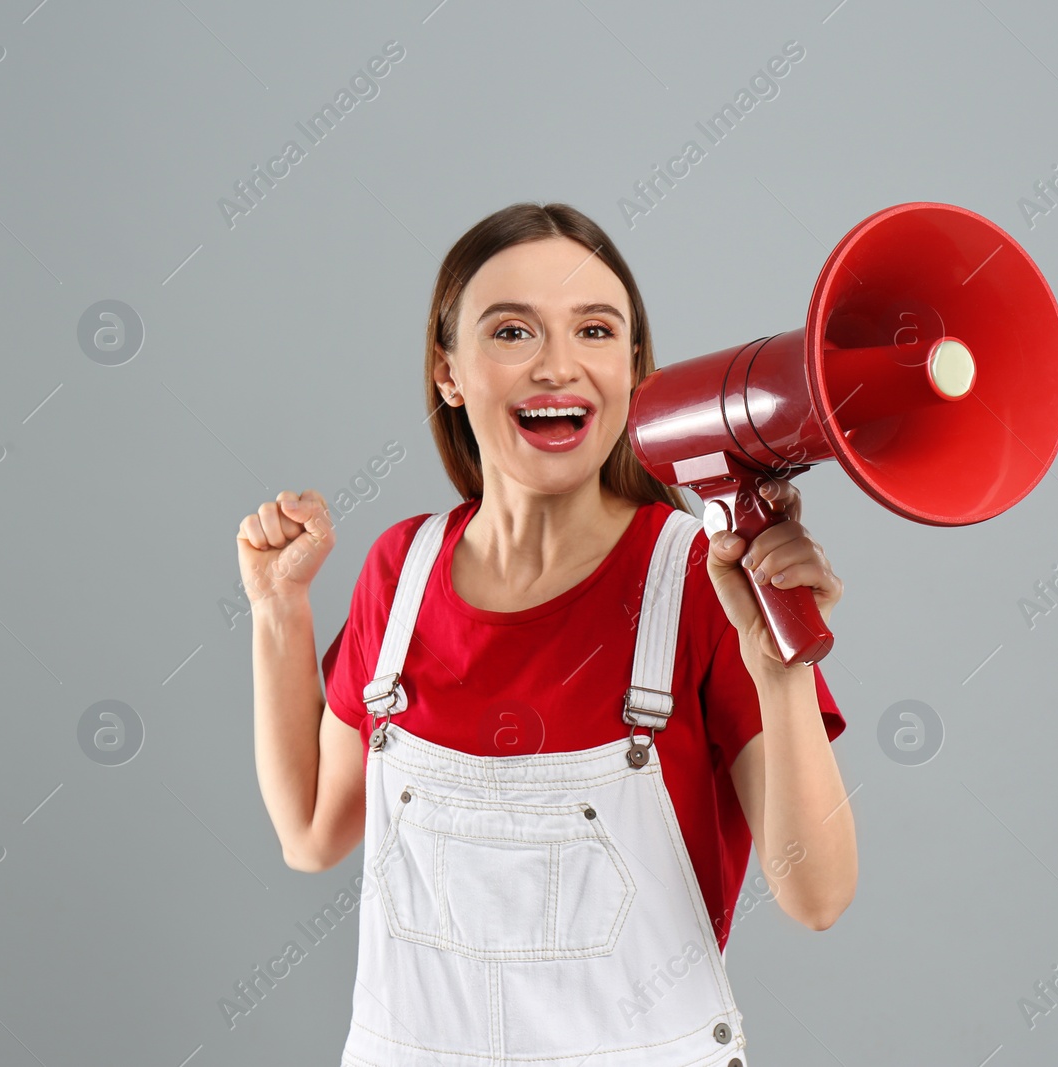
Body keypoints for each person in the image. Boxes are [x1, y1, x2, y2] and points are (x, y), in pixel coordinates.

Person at [237, 201, 857, 1066]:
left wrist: (779, 667)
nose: (558, 366)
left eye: (596, 330)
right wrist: (279, 608)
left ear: (636, 369)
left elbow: (818, 893)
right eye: (512, 331)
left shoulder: (700, 580)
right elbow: (310, 833)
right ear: (448, 370)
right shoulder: (400, 573)